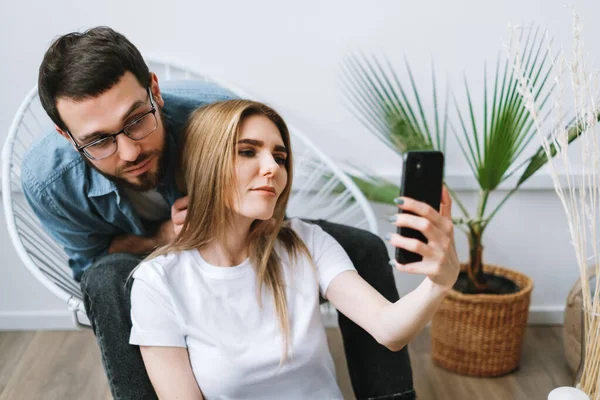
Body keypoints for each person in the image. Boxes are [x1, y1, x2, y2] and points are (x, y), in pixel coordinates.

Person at [20, 25, 442, 399]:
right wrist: (161, 237)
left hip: (230, 233)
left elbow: (265, 198)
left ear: (155, 90)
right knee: (107, 281)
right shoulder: (48, 182)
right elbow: (90, 260)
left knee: (362, 248)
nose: (130, 151)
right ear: (65, 133)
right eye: (98, 142)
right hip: (142, 257)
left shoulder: (217, 116)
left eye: (135, 121)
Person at [128, 99, 460, 399]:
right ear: (205, 164)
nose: (272, 167)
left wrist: (439, 283)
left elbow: (390, 330)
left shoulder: (305, 242)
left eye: (280, 156)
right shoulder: (157, 283)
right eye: (247, 151)